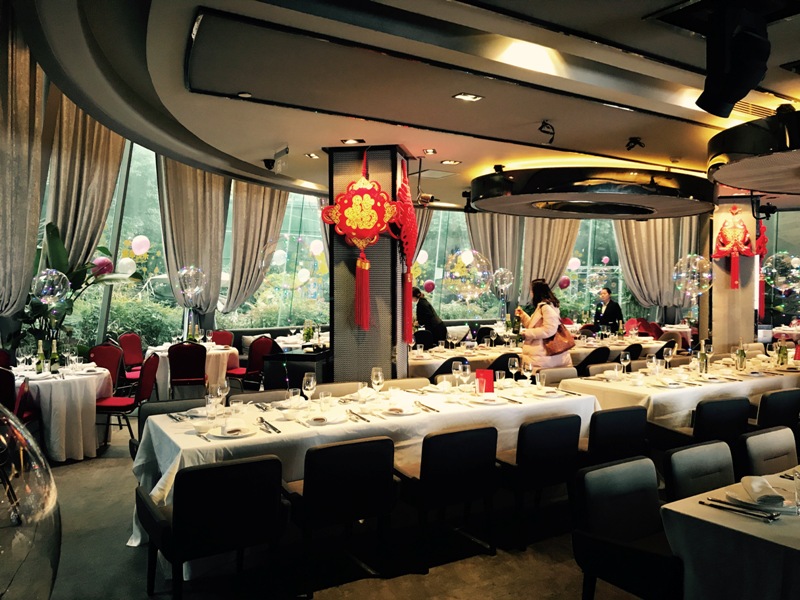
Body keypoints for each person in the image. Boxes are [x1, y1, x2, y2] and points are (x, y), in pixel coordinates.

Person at [514, 279, 572, 371]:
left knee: (539, 378)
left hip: (544, 354)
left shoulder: (546, 307)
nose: (531, 293)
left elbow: (549, 329)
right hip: (541, 355)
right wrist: (523, 315)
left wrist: (527, 333)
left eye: (531, 290)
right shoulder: (544, 307)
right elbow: (534, 326)